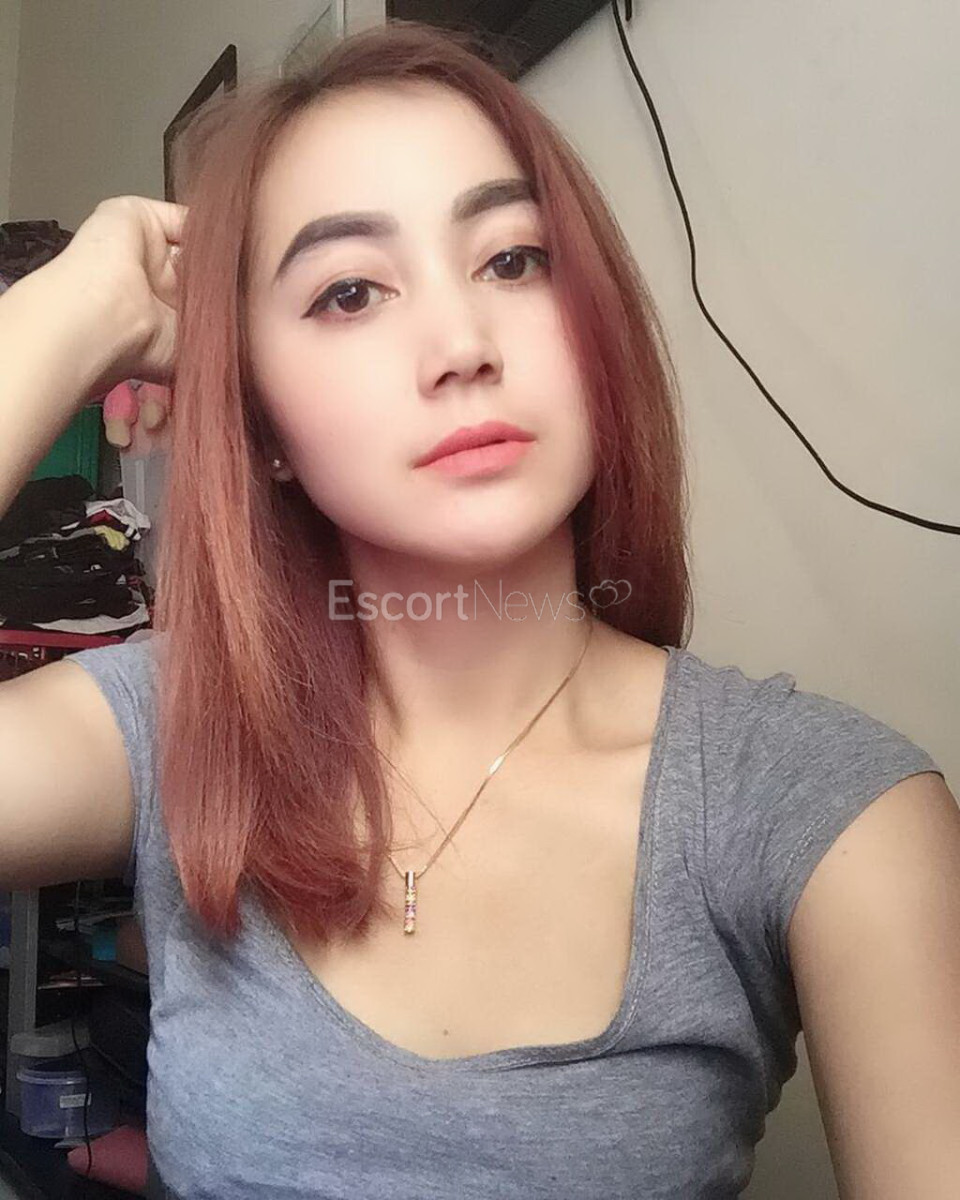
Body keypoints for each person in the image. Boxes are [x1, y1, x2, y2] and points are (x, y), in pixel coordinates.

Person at [0, 19, 956, 1200]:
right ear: (262, 423)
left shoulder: (829, 812)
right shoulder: (173, 727)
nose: (461, 344)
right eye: (351, 292)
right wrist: (62, 321)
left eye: (513, 261)